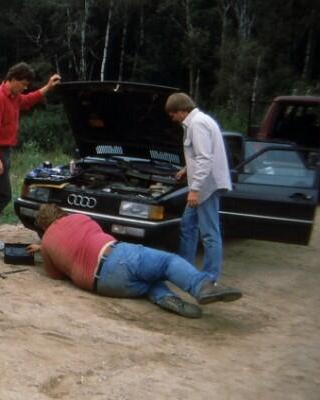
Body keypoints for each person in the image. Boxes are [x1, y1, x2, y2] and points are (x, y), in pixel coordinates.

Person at [27, 204, 242, 319]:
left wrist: (45, 248)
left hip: (103, 285)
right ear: (61, 213)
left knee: (147, 280)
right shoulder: (78, 218)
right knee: (166, 262)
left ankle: (165, 297)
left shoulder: (47, 243)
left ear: (45, 226)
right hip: (115, 258)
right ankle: (201, 287)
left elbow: (55, 275)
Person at [0, 62, 61, 254]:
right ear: (12, 79)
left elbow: (29, 100)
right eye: (22, 83)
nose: (24, 88)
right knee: (2, 195)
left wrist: (47, 87)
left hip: (3, 151)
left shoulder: (14, 97)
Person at [166, 93, 232, 283]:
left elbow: (205, 158)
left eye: (172, 114)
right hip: (202, 185)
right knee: (187, 225)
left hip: (206, 187)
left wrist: (194, 190)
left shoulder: (197, 124)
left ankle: (210, 278)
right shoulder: (199, 121)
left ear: (181, 110)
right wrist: (187, 169)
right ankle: (184, 268)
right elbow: (201, 154)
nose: (172, 118)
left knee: (210, 233)